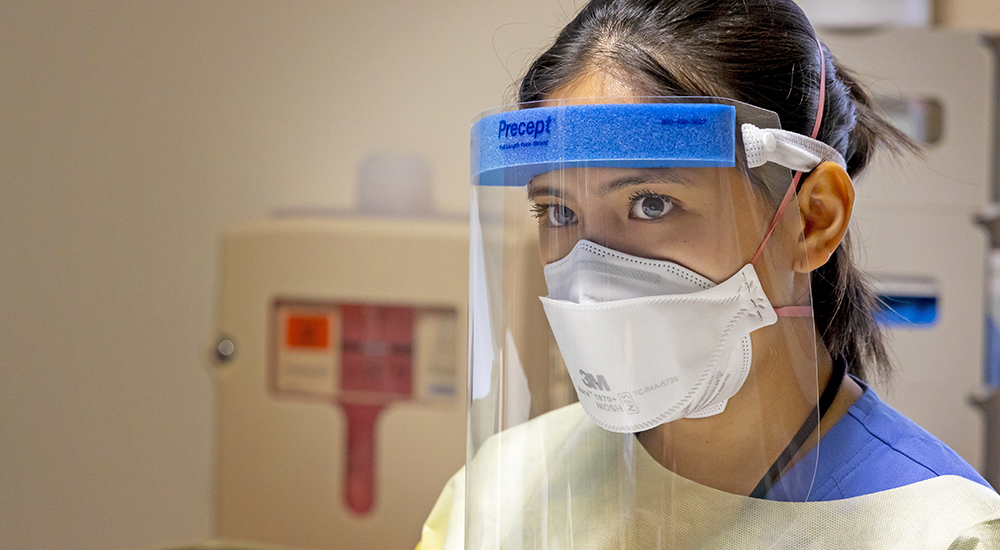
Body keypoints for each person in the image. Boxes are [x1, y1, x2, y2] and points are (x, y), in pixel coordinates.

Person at [419, 1, 1000, 548]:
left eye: (651, 203)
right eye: (559, 211)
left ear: (813, 219)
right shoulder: (500, 492)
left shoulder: (943, 532)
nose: (589, 276)